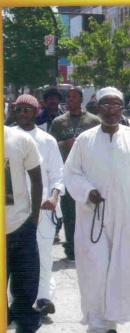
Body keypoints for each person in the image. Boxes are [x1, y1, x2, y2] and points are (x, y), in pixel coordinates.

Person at [63, 87, 130, 333]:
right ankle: (96, 324)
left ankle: (111, 322)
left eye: (116, 104)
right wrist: (87, 191)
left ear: (122, 108)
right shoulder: (85, 140)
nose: (111, 109)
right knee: (94, 270)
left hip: (126, 218)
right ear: (97, 109)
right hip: (93, 217)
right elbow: (71, 172)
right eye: (106, 105)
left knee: (121, 270)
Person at [13, 94, 65, 318]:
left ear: (35, 112)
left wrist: (53, 197)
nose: (22, 113)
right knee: (13, 259)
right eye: (18, 110)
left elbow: (58, 176)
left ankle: (44, 298)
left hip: (43, 209)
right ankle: (14, 304)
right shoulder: (7, 137)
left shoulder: (47, 140)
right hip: (12, 210)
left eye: (27, 109)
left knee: (42, 255)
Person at [49, 86, 101, 260]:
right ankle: (71, 248)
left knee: (89, 210)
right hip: (67, 172)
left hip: (89, 172)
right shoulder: (59, 122)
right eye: (68, 97)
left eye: (74, 97)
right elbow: (50, 145)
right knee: (69, 212)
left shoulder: (93, 121)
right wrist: (65, 144)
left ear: (81, 100)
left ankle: (91, 245)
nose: (70, 100)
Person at [5, 125, 43, 333]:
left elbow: (36, 178)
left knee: (25, 290)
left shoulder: (20, 139)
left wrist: (34, 217)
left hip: (20, 227)